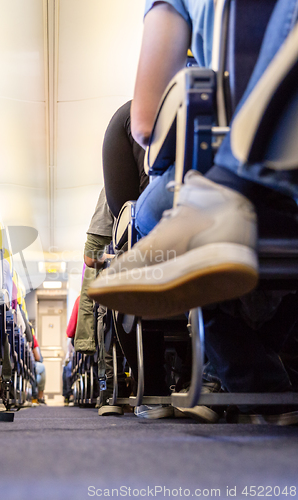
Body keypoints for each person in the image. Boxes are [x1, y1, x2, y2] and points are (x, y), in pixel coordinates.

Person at [90, 0, 298, 424]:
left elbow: (145, 123)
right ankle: (261, 378)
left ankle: (260, 383)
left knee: (160, 224)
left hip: (203, 167)